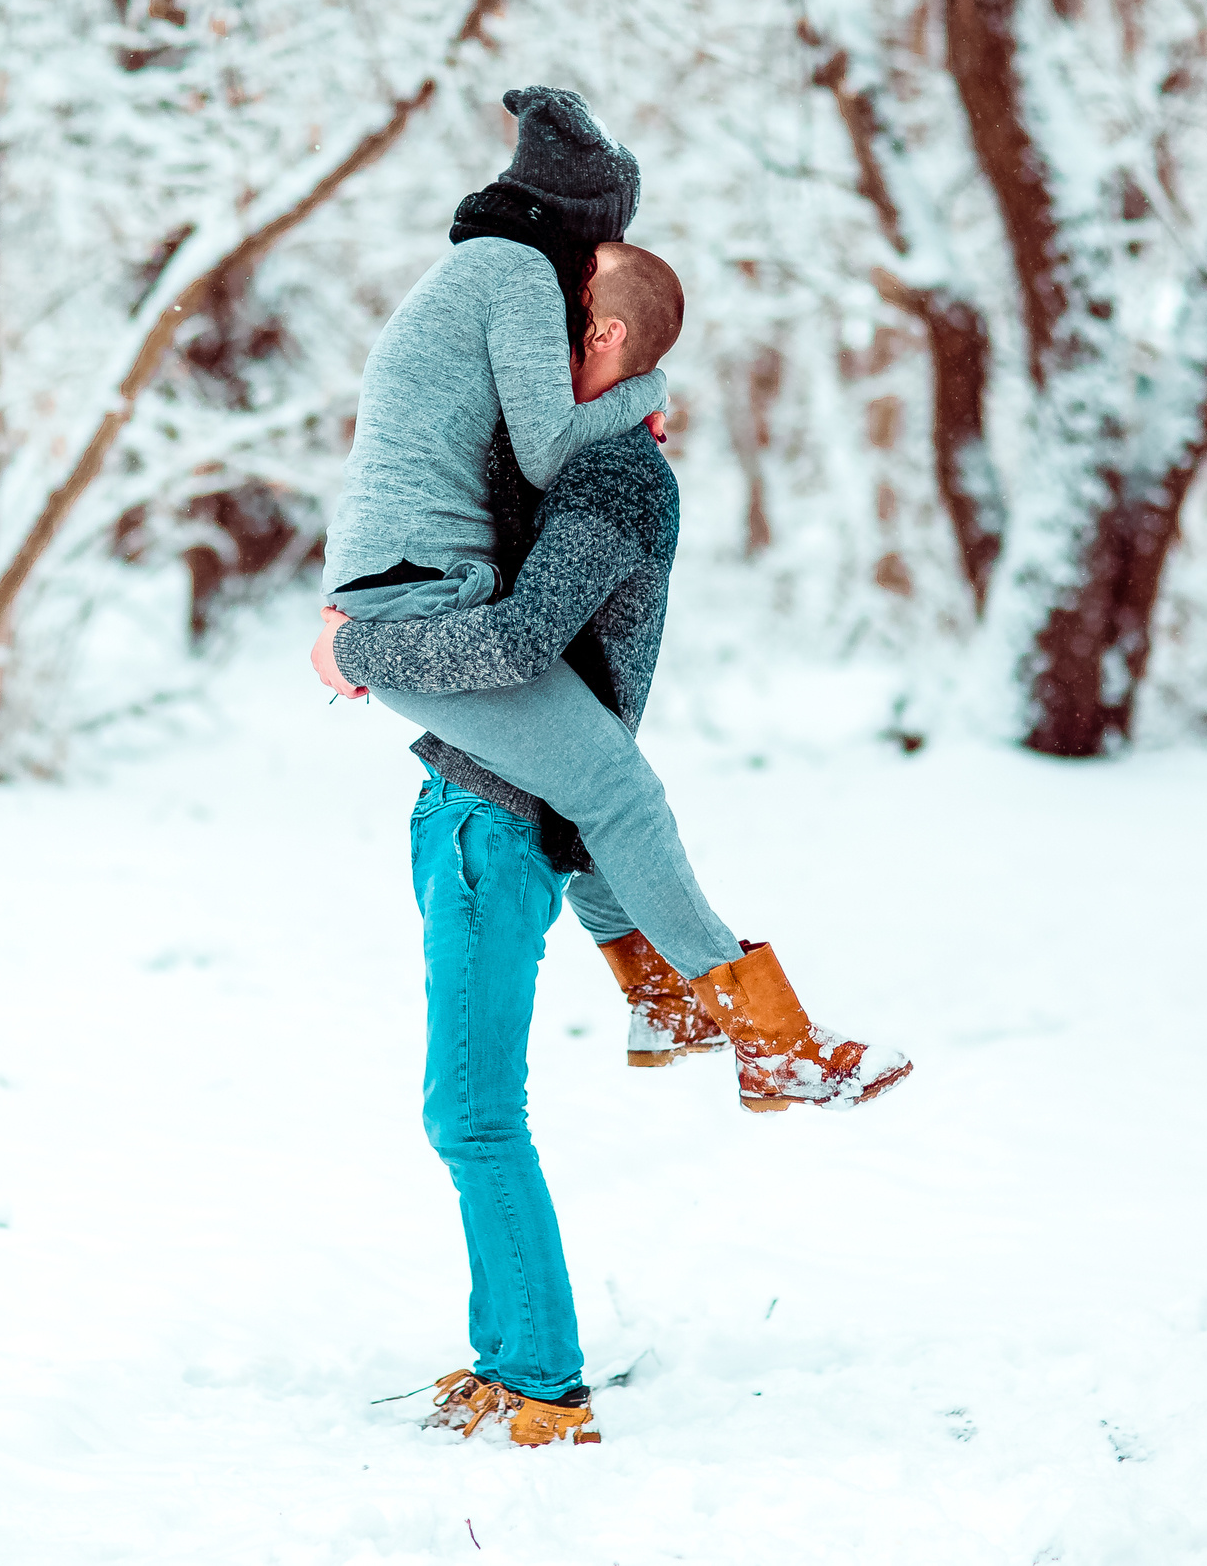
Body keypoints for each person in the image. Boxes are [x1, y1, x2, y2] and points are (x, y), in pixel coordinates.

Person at [309, 96, 911, 1443]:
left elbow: (531, 644)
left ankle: (542, 1375)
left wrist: (368, 640)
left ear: (609, 338)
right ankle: (686, 1024)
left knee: (472, 1117)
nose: (544, 348)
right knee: (474, 1109)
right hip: (475, 790)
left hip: (486, 816)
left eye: (576, 333)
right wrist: (367, 621)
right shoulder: (568, 433)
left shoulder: (615, 480)